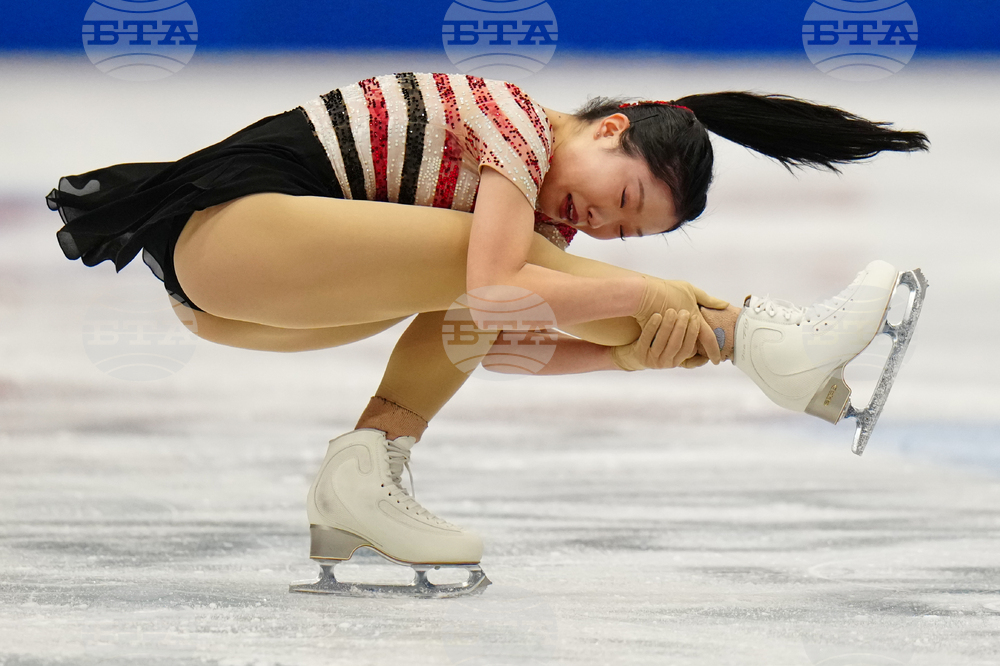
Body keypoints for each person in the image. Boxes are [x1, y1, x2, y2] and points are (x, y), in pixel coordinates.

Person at [46, 72, 929, 597]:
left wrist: (628, 351)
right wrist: (662, 297)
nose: (600, 224)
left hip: (237, 300)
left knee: (490, 283)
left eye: (624, 233)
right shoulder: (509, 117)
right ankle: (762, 340)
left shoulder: (532, 227)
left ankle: (361, 472)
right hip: (229, 234)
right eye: (619, 201)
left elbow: (490, 335)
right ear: (609, 129)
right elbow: (499, 287)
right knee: (505, 271)